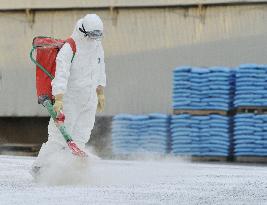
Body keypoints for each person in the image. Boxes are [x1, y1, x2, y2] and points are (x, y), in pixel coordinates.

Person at [31, 14, 106, 176]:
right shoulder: (70, 47)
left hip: (89, 99)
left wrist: (100, 92)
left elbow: (100, 67)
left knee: (81, 136)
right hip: (70, 100)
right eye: (93, 35)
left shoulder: (97, 45)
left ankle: (70, 171)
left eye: (98, 36)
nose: (95, 39)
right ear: (84, 31)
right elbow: (61, 74)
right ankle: (39, 168)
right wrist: (58, 97)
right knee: (58, 138)